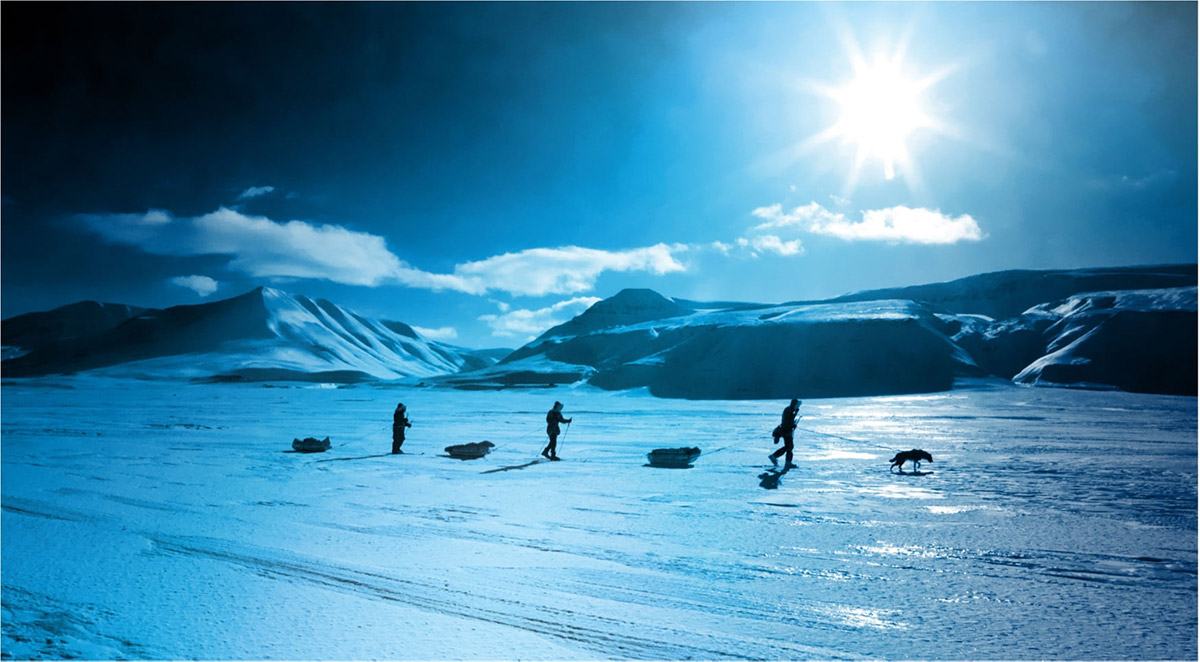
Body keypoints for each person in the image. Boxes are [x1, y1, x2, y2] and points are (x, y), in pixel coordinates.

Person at [770, 398, 801, 466]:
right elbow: (787, 421)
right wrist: (793, 426)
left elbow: (790, 420)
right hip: (786, 431)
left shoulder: (790, 410)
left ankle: (784, 460)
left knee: (789, 446)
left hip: (787, 430)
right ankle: (776, 456)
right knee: (789, 446)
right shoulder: (789, 410)